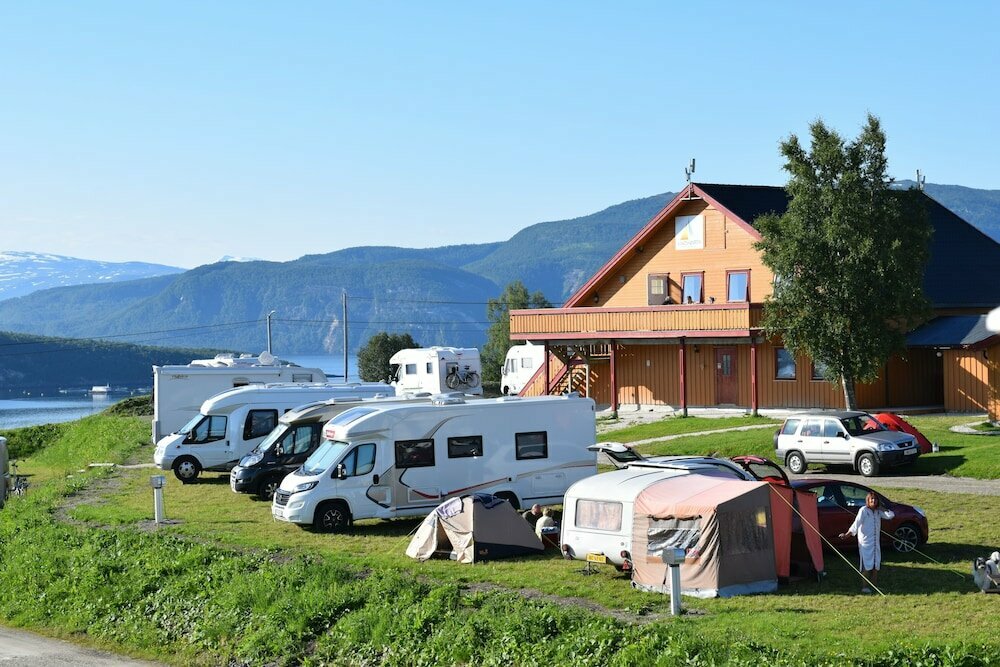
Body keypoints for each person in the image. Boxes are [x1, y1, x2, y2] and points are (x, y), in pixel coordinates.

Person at [839, 491, 894, 593]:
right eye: (871, 499)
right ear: (868, 500)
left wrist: (882, 508)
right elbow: (856, 524)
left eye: (875, 499)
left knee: (875, 565)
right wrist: (847, 534)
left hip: (875, 543)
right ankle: (864, 587)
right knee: (866, 565)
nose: (873, 501)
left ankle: (874, 586)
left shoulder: (878, 512)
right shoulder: (863, 511)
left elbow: (891, 515)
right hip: (865, 544)